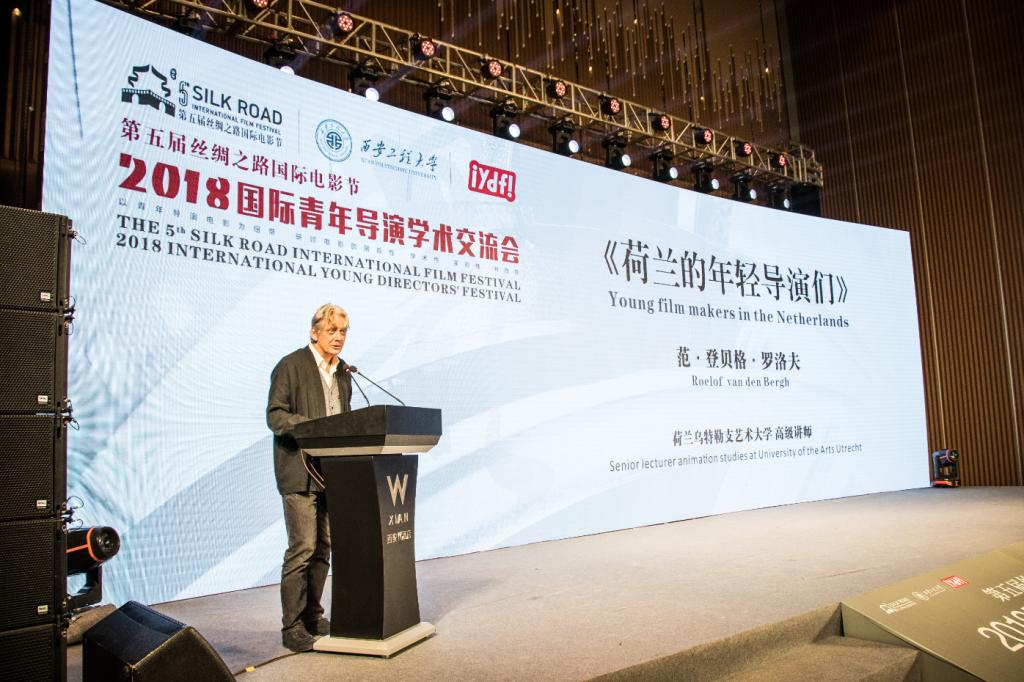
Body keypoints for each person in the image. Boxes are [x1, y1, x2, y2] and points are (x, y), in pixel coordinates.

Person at [266, 304, 353, 652]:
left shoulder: (343, 372)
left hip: (332, 473)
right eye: (332, 330)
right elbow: (275, 416)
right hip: (299, 472)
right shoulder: (291, 365)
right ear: (314, 332)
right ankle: (292, 627)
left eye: (343, 331)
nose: (338, 337)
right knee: (302, 547)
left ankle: (313, 616)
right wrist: (311, 427)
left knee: (323, 548)